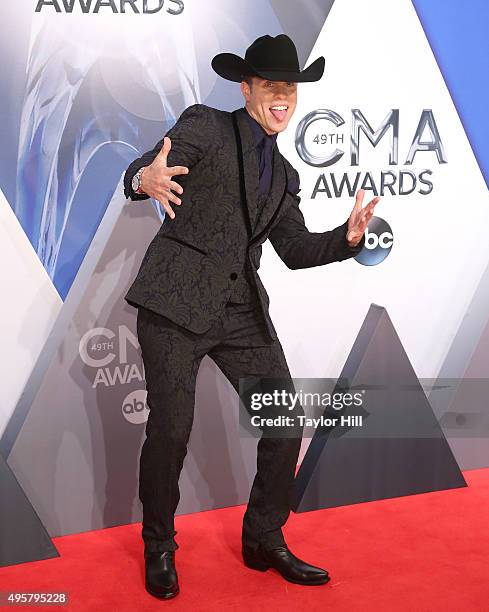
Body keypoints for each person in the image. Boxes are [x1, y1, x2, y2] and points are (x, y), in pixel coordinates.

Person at [123, 34, 380, 599]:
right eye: (270, 86)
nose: (282, 97)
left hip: (240, 312)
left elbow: (293, 250)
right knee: (170, 430)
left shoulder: (285, 175)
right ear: (247, 90)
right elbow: (155, 163)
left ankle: (264, 536)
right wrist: (143, 180)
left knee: (285, 420)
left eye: (289, 87)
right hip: (175, 305)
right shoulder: (207, 126)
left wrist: (347, 238)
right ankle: (159, 546)